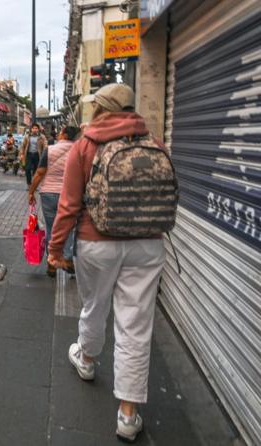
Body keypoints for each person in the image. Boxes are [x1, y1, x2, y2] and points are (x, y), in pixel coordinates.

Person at [48, 84, 167, 442]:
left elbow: (68, 205)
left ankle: (85, 358)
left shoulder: (86, 145)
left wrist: (55, 249)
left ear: (100, 109)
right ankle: (128, 415)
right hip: (147, 244)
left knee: (95, 305)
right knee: (135, 324)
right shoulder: (154, 142)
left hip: (96, 240)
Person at [28, 126, 78, 276]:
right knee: (69, 227)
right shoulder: (78, 150)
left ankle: (51, 264)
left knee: (51, 228)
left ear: (63, 134)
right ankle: (68, 259)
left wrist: (31, 192)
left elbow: (40, 172)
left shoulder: (49, 150)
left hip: (49, 193)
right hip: (69, 194)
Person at [20, 123, 47, 187]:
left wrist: (45, 153)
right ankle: (29, 184)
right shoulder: (27, 136)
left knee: (36, 171)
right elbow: (22, 146)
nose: (34, 130)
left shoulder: (41, 137)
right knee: (27, 169)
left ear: (38, 129)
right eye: (33, 128)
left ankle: (34, 184)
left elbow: (45, 145)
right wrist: (21, 154)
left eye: (36, 128)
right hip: (29, 155)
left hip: (37, 155)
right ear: (31, 129)